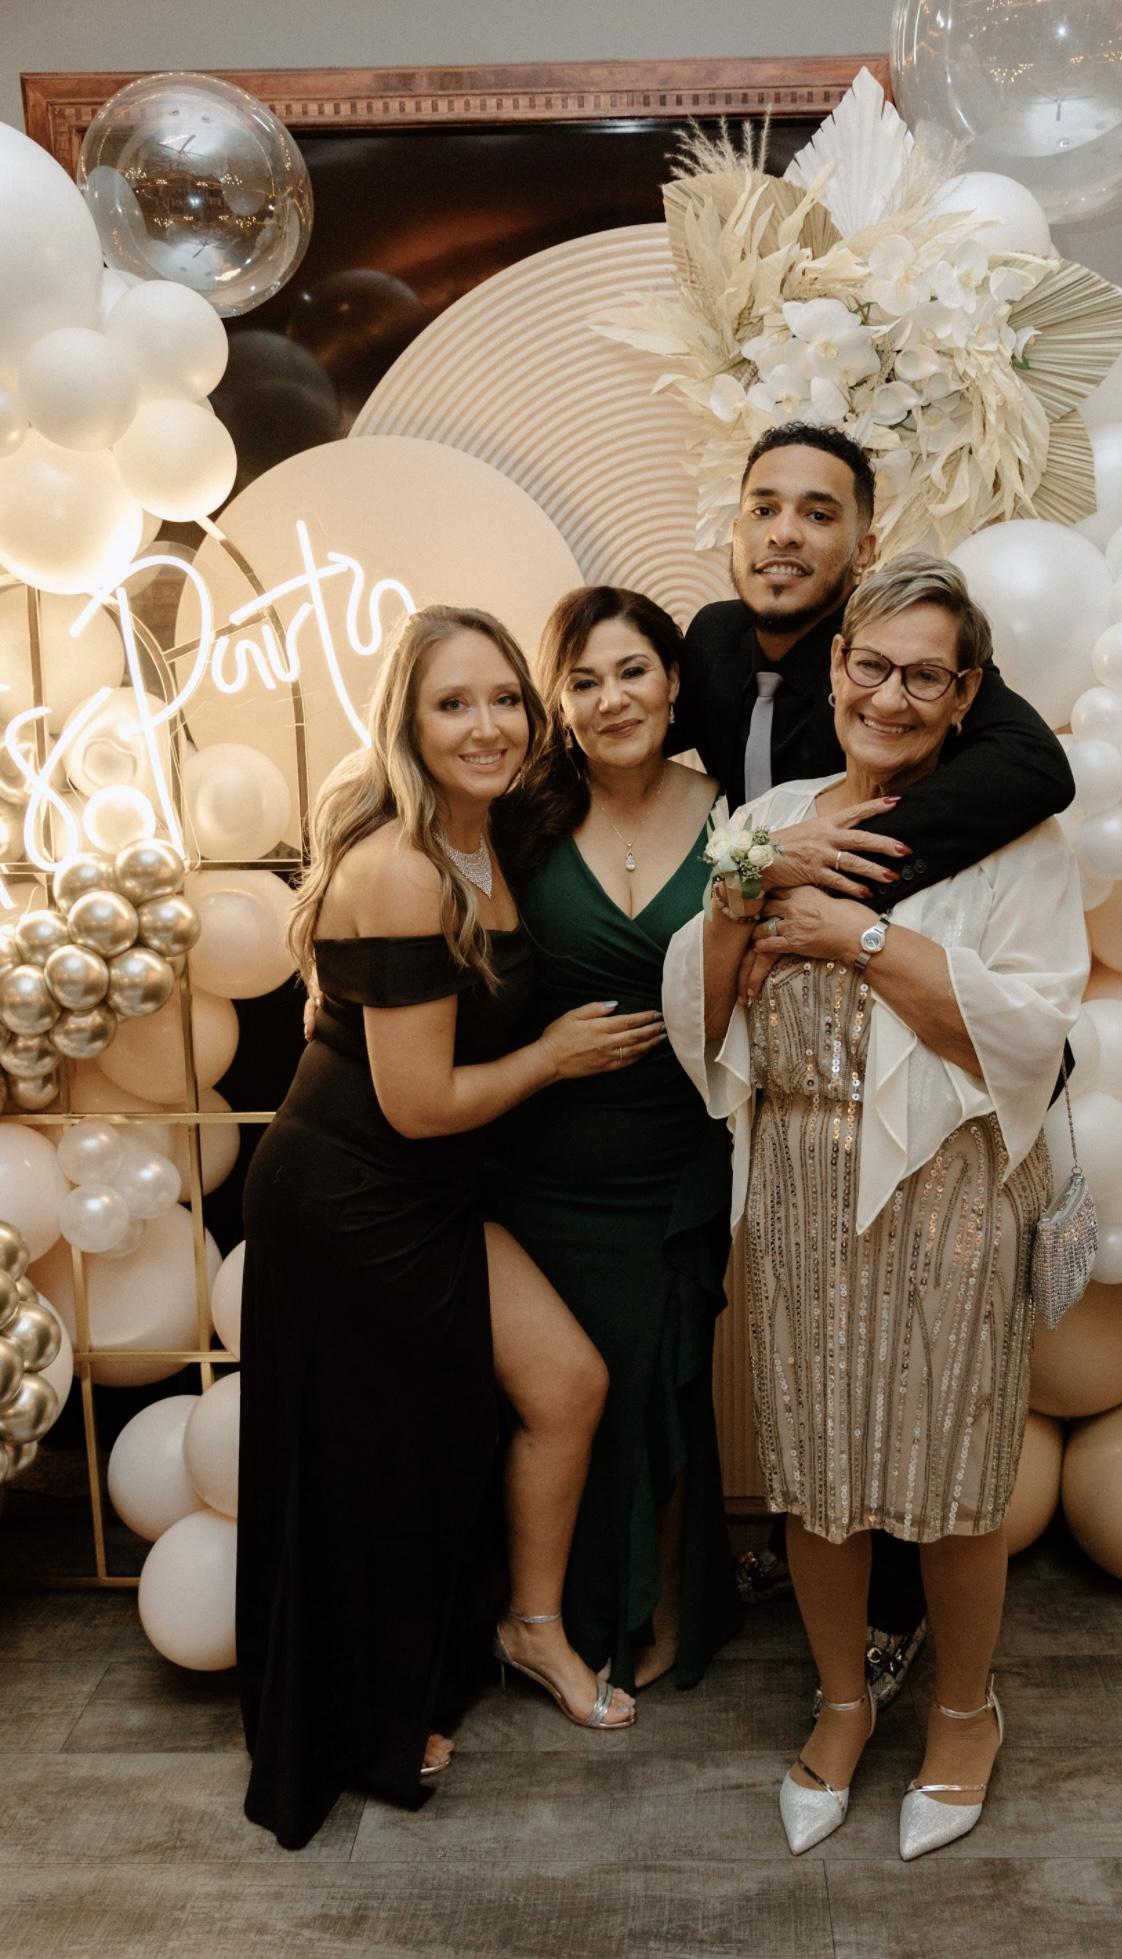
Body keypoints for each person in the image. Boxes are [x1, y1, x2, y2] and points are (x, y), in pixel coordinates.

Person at [664, 555, 1089, 1859]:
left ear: (967, 693)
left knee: (954, 1475)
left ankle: (965, 1711)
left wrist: (856, 935)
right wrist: (742, 896)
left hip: (954, 1183)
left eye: (925, 675)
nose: (890, 696)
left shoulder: (1017, 841)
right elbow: (702, 1015)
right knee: (817, 1476)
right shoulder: (774, 816)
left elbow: (1029, 1028)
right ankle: (844, 1700)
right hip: (798, 1176)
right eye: (871, 665)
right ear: (838, 663)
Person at [238, 604, 658, 1850]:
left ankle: (530, 1627)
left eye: (504, 700)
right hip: (351, 1196)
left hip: (424, 1189)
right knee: (390, 1458)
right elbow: (418, 1104)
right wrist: (555, 1058)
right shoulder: (404, 868)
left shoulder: (493, 839)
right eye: (453, 704)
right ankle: (372, 1708)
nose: (487, 726)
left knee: (566, 1385)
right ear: (408, 727)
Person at [493, 586, 743, 1693]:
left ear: (673, 681)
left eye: (632, 671)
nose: (611, 699)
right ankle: (559, 1613)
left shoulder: (740, 813)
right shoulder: (520, 819)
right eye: (583, 681)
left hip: (681, 1158)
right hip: (541, 1165)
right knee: (561, 1399)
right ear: (558, 701)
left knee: (665, 1384)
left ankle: (670, 1600)